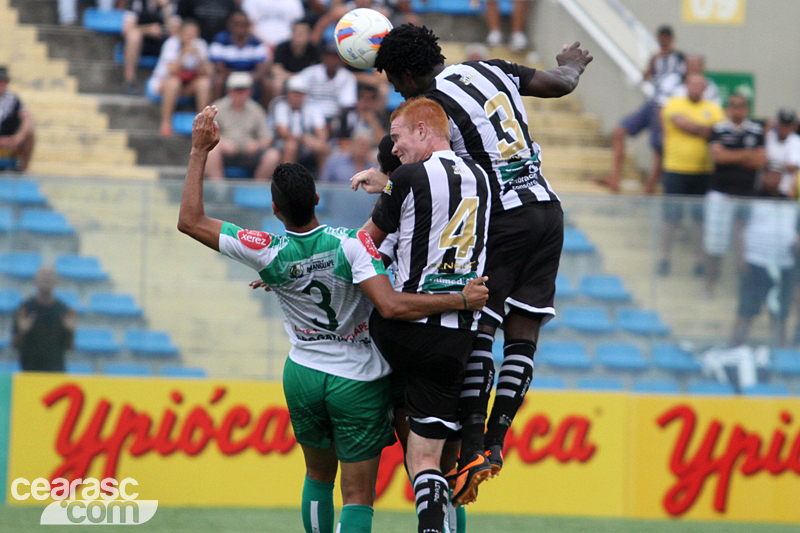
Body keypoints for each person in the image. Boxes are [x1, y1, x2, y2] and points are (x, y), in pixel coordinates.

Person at [178, 106, 488, 533]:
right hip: (358, 378)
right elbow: (388, 297)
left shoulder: (267, 251)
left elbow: (190, 221)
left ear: (274, 208)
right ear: (318, 198)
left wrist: (199, 152)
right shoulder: (353, 245)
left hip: (303, 373)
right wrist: (459, 298)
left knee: (318, 477)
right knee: (377, 489)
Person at [354, 24, 591, 506]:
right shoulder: (489, 68)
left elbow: (427, 168)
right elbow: (560, 84)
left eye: (396, 83)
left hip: (503, 218)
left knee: (478, 326)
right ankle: (496, 445)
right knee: (523, 333)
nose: (399, 93)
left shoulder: (433, 109)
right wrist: (571, 63)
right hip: (548, 211)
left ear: (405, 73)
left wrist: (390, 180)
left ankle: (475, 448)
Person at [360, 96, 491, 533]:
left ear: (422, 131)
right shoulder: (484, 180)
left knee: (412, 452)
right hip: (457, 340)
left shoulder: (410, 177)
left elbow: (364, 242)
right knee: (432, 458)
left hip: (403, 330)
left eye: (397, 138)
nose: (393, 149)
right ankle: (469, 446)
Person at [599, 25, 686, 193]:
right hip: (652, 104)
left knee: (659, 146)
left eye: (666, 40)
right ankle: (615, 178)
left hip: (667, 107)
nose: (664, 43)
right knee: (619, 131)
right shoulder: (657, 58)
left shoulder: (679, 58)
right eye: (661, 40)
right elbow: (645, 77)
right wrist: (653, 60)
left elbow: (682, 81)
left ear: (672, 40)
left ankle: (649, 189)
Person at [656, 73, 725, 276]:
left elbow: (715, 131)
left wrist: (693, 127)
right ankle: (664, 258)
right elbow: (680, 123)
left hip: (702, 171)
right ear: (687, 85)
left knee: (699, 219)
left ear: (704, 88)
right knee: (670, 218)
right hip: (675, 168)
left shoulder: (712, 108)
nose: (695, 88)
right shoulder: (674, 103)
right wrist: (701, 129)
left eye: (699, 85)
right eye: (692, 84)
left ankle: (699, 260)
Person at [704, 93, 766, 297]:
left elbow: (760, 162)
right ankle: (709, 287)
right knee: (715, 243)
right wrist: (746, 154)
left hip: (746, 195)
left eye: (741, 106)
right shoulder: (719, 129)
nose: (737, 109)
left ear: (746, 108)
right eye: (733, 105)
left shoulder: (756, 130)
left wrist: (733, 156)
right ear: (728, 108)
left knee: (746, 245)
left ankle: (744, 288)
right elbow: (719, 157)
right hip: (721, 194)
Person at [731, 166, 798, 347]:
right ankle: (735, 349)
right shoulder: (751, 199)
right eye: (768, 174)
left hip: (783, 265)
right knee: (746, 311)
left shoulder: (790, 202)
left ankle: (780, 354)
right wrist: (741, 259)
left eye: (776, 175)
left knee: (780, 314)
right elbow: (737, 229)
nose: (771, 179)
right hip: (755, 262)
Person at [205, 72, 278, 181]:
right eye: (236, 90)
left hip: (250, 153)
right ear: (229, 91)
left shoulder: (256, 110)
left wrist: (257, 145)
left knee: (273, 156)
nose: (240, 94)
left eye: (243, 90)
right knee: (211, 152)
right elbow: (207, 134)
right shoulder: (218, 107)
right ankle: (218, 189)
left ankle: (257, 190)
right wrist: (221, 143)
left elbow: (267, 137)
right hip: (225, 152)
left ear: (250, 91)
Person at [147, 19, 212, 136]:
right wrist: (183, 54)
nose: (191, 37)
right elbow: (172, 71)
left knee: (204, 83)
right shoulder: (171, 44)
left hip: (188, 84)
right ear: (181, 34)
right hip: (164, 83)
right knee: (174, 82)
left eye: (194, 34)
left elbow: (208, 73)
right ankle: (166, 123)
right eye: (188, 34)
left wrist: (200, 59)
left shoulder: (200, 45)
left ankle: (203, 124)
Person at [13, 266, 77, 372]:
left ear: (56, 280)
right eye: (43, 275)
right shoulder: (25, 309)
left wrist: (70, 331)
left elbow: (69, 347)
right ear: (35, 279)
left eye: (50, 275)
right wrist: (22, 332)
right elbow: (14, 345)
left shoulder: (64, 311)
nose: (46, 278)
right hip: (29, 374)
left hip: (55, 375)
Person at [209, 10, 272, 103]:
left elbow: (261, 68)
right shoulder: (220, 40)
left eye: (243, 24)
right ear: (230, 25)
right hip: (227, 75)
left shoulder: (256, 42)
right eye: (237, 23)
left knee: (267, 83)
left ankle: (265, 114)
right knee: (218, 81)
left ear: (248, 26)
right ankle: (215, 110)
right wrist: (235, 77)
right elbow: (219, 67)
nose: (240, 27)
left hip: (251, 77)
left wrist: (248, 78)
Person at [271, 75, 329, 172]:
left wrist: (317, 141)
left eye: (300, 94)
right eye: (294, 93)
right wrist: (303, 138)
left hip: (308, 145)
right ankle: (286, 180)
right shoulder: (280, 106)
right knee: (291, 146)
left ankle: (324, 182)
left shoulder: (313, 107)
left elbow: (322, 132)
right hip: (284, 143)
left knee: (323, 147)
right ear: (288, 93)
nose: (296, 97)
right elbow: (283, 132)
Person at [121, 0, 179, 95]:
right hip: (142, 42)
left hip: (162, 43)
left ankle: (169, 83)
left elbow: (176, 33)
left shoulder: (171, 4)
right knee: (133, 36)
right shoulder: (137, 2)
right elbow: (127, 29)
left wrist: (166, 10)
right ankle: (130, 81)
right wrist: (148, 30)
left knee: (174, 41)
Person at [296, 42, 358, 125]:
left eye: (336, 57)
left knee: (351, 117)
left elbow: (347, 105)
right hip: (309, 115)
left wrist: (332, 124)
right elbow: (296, 93)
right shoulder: (309, 73)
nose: (332, 60)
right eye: (329, 57)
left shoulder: (347, 77)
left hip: (334, 118)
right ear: (323, 58)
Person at [272, 19, 321, 98]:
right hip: (286, 77)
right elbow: (276, 68)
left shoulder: (314, 49)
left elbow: (319, 69)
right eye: (296, 32)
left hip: (308, 79)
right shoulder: (282, 47)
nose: (299, 36)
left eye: (303, 33)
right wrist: (293, 77)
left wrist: (302, 77)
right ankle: (278, 107)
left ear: (309, 35)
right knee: (277, 83)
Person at [0, 67, 35, 172]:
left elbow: (28, 118)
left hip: (9, 139)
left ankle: (23, 169)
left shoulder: (13, 99)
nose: (2, 84)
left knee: (30, 134)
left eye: (4, 81)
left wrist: (19, 137)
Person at [765, 108, 800, 198]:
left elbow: (792, 166)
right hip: (765, 188)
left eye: (787, 125)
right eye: (782, 124)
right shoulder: (769, 136)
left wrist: (773, 165)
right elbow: (761, 160)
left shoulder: (796, 141)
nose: (783, 127)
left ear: (793, 126)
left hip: (785, 190)